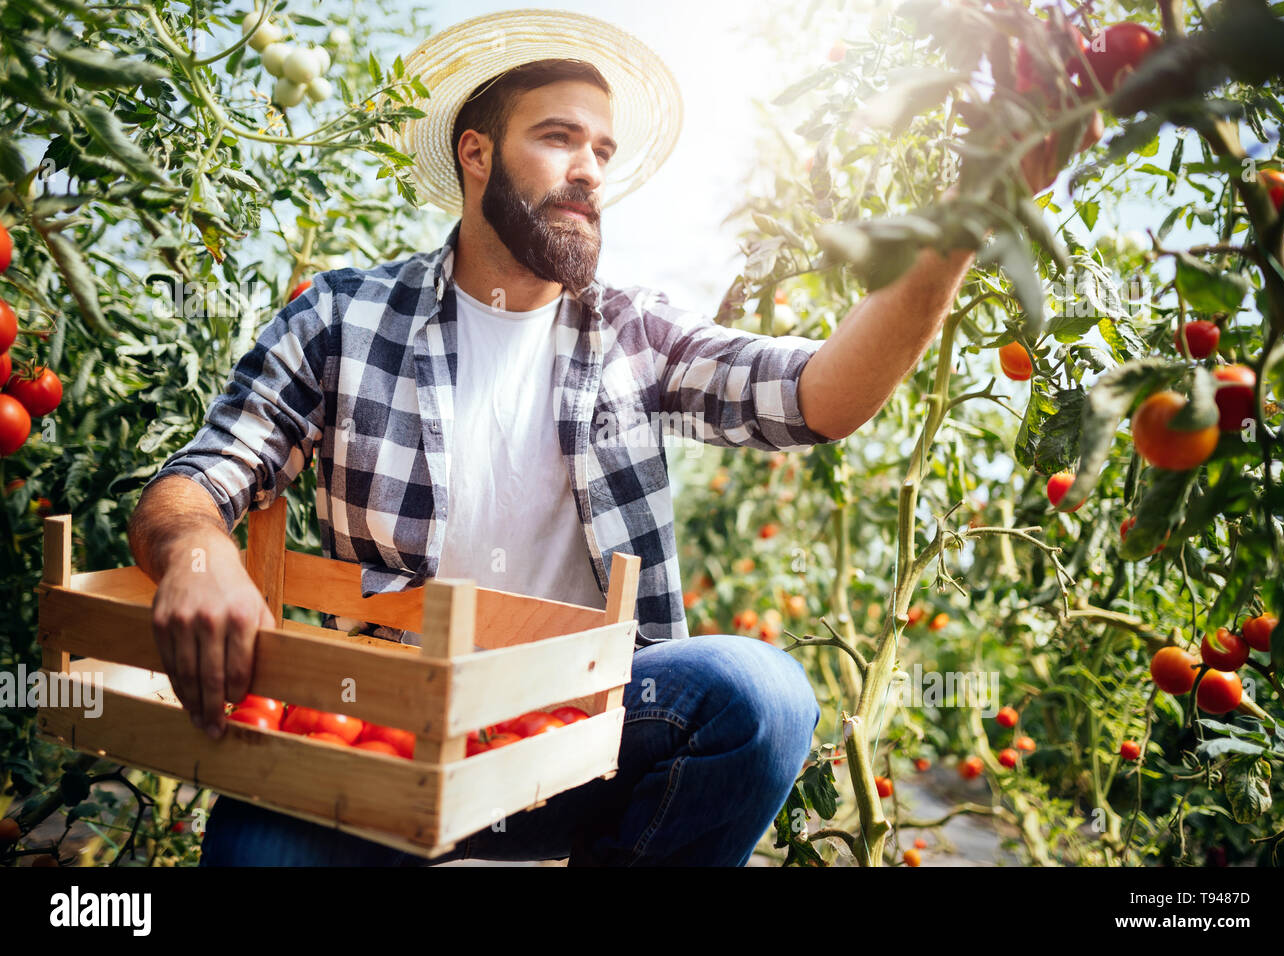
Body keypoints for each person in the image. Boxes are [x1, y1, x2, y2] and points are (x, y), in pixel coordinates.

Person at [127, 9, 1096, 866]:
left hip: (581, 737)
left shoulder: (633, 331)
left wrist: (967, 218)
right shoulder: (345, 316)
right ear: (475, 153)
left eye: (602, 149)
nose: (590, 168)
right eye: (558, 137)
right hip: (389, 738)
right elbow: (204, 474)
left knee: (756, 691)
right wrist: (198, 548)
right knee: (253, 848)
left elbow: (816, 396)